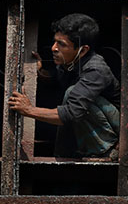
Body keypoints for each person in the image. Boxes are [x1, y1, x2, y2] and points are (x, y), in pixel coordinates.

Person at [8, 13, 120, 160]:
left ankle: (108, 150)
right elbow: (58, 80)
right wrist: (41, 72)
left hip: (121, 131)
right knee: (71, 92)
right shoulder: (70, 62)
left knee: (72, 92)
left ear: (83, 50)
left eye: (62, 44)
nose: (54, 48)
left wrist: (29, 110)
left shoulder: (96, 69)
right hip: (94, 121)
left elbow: (72, 113)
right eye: (55, 42)